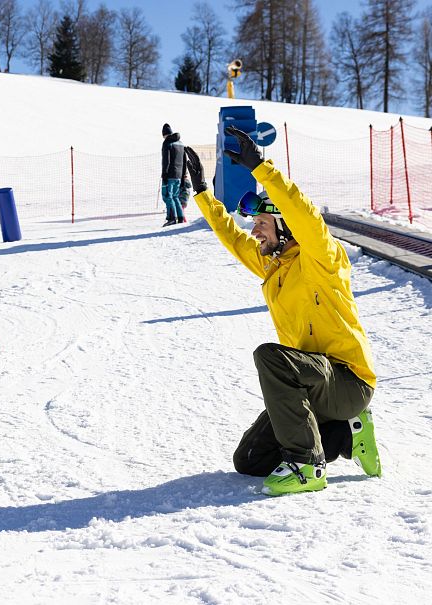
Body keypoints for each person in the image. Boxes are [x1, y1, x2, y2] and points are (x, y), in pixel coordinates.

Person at [183, 126, 381, 496]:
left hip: (348, 381)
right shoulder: (272, 266)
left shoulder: (322, 258)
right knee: (251, 459)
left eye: (262, 224)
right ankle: (345, 434)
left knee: (271, 358)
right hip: (311, 381)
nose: (255, 232)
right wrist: (202, 194)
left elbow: (305, 215)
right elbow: (232, 237)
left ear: (286, 227)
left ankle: (308, 466)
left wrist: (261, 167)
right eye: (255, 224)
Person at [160, 123, 188, 227]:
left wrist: (164, 174)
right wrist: (183, 176)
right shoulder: (181, 143)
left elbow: (166, 160)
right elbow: (185, 161)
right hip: (179, 175)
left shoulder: (167, 143)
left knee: (168, 196)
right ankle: (180, 217)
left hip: (170, 174)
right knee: (176, 196)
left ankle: (171, 218)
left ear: (164, 134)